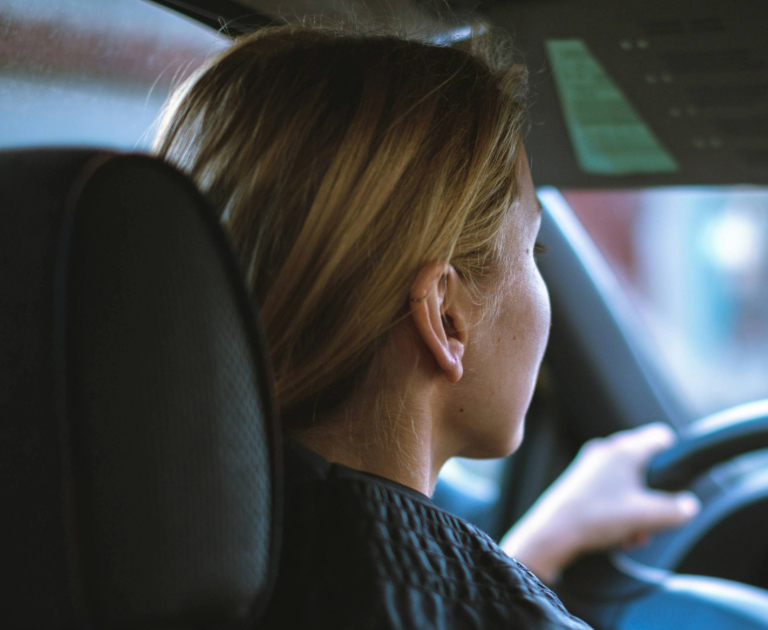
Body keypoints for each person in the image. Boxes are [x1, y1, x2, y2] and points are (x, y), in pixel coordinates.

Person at [155, 25, 699, 629]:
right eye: (534, 250)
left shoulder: (147, 552)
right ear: (445, 317)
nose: (540, 272)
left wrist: (531, 553)